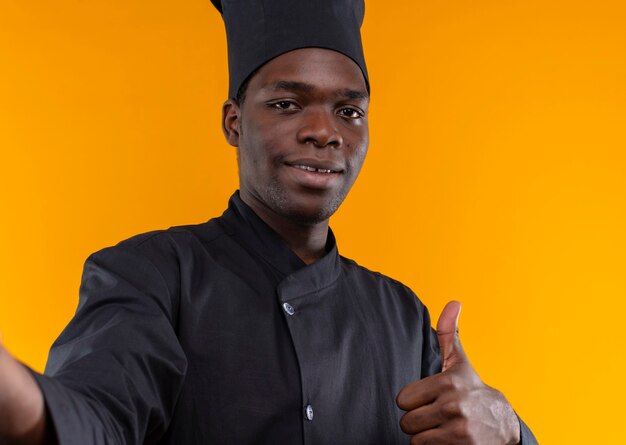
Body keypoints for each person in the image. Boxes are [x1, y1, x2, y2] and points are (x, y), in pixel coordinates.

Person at [0, 1, 537, 444]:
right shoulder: (150, 276)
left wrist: (509, 432)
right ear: (234, 123)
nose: (324, 132)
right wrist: (19, 398)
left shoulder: (404, 317)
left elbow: (474, 426)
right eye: (286, 103)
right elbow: (99, 416)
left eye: (349, 112)